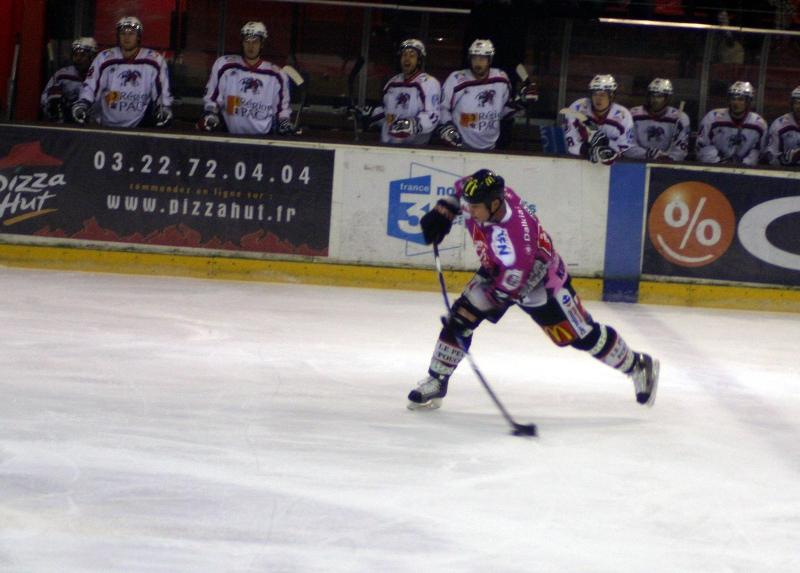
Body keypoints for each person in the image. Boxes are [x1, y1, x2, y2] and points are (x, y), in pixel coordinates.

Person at [409, 169, 659, 410]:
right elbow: (462, 188)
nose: (469, 211)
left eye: (475, 207)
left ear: (494, 205)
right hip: (499, 269)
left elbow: (503, 292)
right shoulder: (494, 198)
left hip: (540, 285)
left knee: (581, 336)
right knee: (462, 319)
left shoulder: (513, 241)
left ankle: (637, 365)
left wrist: (472, 309)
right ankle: (437, 380)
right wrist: (444, 210)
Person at [72, 16, 173, 128]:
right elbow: (91, 85)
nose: (126, 37)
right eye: (123, 33)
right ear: (118, 36)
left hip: (140, 127)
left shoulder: (155, 60)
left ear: (139, 36)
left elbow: (162, 91)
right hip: (106, 127)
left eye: (131, 33)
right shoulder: (104, 58)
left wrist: (165, 108)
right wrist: (83, 103)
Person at [438, 39, 536, 151]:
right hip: (460, 147)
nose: (477, 63)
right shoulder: (456, 79)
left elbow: (502, 111)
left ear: (490, 60)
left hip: (490, 148)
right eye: (474, 58)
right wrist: (448, 128)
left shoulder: (501, 79)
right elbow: (442, 107)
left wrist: (521, 103)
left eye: (482, 58)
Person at [198, 21, 293, 136]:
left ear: (262, 44)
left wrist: (284, 122)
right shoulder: (225, 66)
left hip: (264, 141)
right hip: (229, 138)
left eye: (255, 42)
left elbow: (282, 110)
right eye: (247, 41)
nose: (251, 46)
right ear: (242, 43)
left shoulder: (277, 75)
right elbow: (212, 99)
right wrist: (210, 114)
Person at [361, 39, 440, 145]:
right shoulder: (392, 82)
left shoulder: (429, 83)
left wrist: (412, 124)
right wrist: (371, 113)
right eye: (404, 55)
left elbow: (432, 116)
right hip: (388, 146)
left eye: (412, 55)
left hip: (414, 149)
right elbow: (387, 115)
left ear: (419, 60)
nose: (407, 59)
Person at [562, 74, 634, 165]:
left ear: (611, 96)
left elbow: (625, 149)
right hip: (577, 163)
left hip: (612, 168)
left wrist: (606, 143)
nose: (598, 99)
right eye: (595, 94)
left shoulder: (623, 116)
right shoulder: (578, 108)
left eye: (602, 95)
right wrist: (588, 150)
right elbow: (570, 144)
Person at [696, 81, 767, 165]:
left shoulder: (759, 124)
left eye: (740, 99)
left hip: (746, 171)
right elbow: (703, 146)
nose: (735, 103)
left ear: (748, 102)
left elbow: (758, 151)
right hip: (715, 168)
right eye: (733, 99)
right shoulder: (712, 118)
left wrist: (744, 165)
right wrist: (719, 163)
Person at [626, 78, 690, 162]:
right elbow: (627, 146)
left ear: (667, 98)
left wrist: (670, 159)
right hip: (638, 163)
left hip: (667, 165)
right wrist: (647, 154)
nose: (655, 100)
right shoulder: (633, 115)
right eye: (652, 96)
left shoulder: (680, 118)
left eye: (659, 96)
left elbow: (680, 150)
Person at [40, 37, 97, 122]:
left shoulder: (99, 75)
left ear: (92, 57)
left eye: (82, 55)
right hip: (65, 125)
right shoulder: (62, 75)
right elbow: (44, 99)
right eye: (75, 55)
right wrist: (51, 102)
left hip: (91, 125)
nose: (78, 59)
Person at [764, 86, 800, 166]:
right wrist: (788, 158)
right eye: (796, 103)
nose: (799, 107)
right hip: (786, 171)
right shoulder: (779, 125)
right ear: (791, 104)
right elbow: (771, 157)